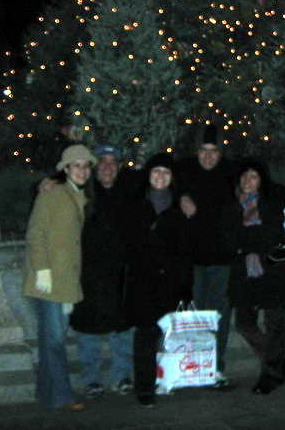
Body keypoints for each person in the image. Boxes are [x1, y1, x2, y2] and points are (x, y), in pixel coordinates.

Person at [23, 143, 96, 411]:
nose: (82, 170)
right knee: (54, 342)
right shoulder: (53, 194)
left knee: (51, 341)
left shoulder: (78, 196)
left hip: (64, 282)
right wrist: (43, 270)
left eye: (86, 165)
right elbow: (35, 233)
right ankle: (62, 396)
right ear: (65, 169)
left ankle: (47, 395)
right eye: (76, 165)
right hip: (49, 281)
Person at [220, 158, 285, 395]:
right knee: (244, 323)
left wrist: (253, 245)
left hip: (273, 271)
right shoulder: (232, 206)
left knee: (274, 324)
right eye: (244, 176)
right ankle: (278, 356)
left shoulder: (270, 205)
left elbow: (274, 236)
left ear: (261, 181)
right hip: (245, 272)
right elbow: (228, 240)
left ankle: (271, 375)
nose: (247, 181)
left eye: (253, 176)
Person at [124, 151, 192, 407]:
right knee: (145, 335)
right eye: (156, 172)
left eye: (165, 172)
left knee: (167, 335)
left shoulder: (179, 207)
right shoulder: (136, 204)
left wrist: (186, 286)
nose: (160, 177)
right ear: (148, 176)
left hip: (170, 283)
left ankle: (167, 379)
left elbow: (186, 250)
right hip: (143, 282)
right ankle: (144, 388)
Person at [68, 144, 134, 398]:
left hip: (119, 275)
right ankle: (92, 379)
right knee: (88, 331)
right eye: (102, 162)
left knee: (122, 329)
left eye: (112, 162)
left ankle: (122, 375)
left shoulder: (128, 194)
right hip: (88, 275)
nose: (107, 167)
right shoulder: (81, 195)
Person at [177, 125, 235, 388]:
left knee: (218, 318)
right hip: (193, 261)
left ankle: (215, 367)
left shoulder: (231, 175)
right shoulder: (184, 173)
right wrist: (180, 199)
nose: (208, 157)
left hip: (223, 260)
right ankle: (192, 368)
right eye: (203, 151)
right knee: (194, 316)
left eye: (214, 152)